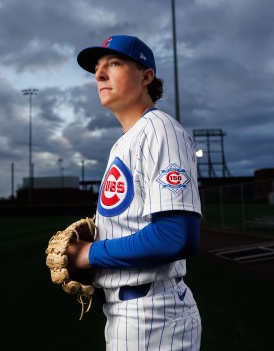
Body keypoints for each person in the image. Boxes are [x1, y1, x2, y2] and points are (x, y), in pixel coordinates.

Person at [68, 35, 203, 350]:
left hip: (153, 313)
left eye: (114, 64)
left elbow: (176, 236)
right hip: (129, 311)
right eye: (98, 68)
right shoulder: (126, 140)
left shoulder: (161, 130)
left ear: (146, 77)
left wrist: (89, 254)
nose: (99, 74)